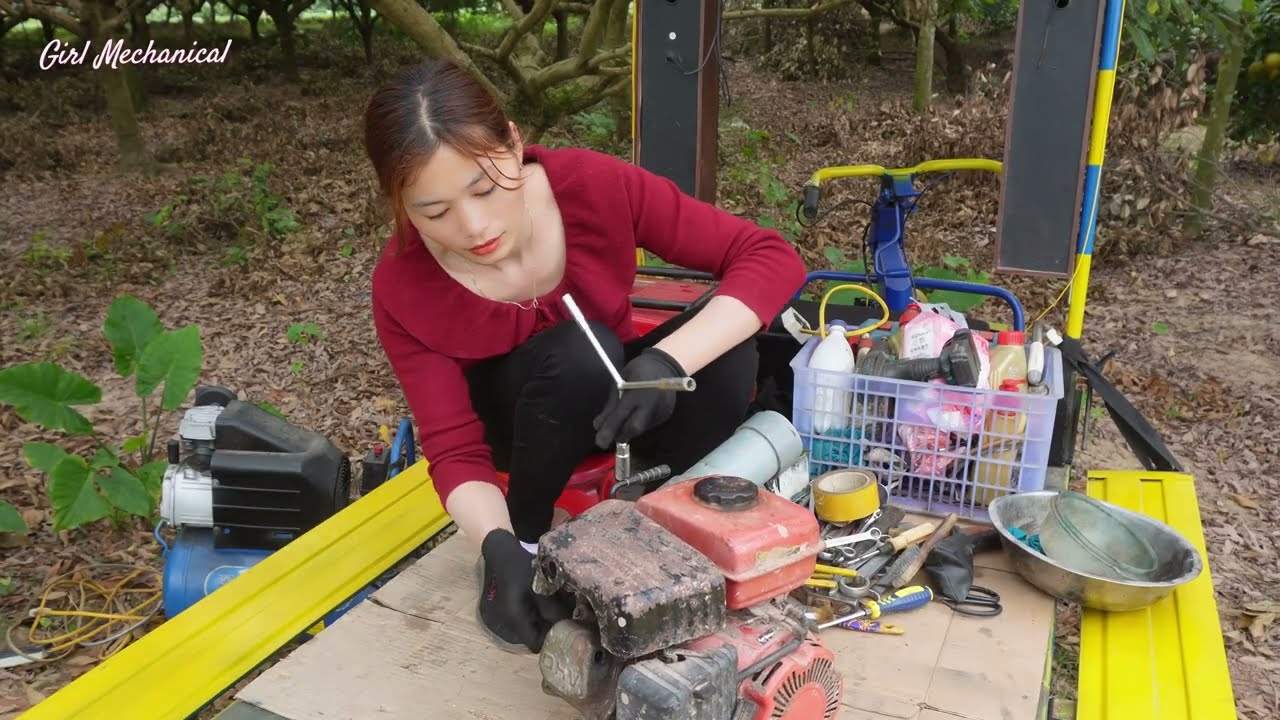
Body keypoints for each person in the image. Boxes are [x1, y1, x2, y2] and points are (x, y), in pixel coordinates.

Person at [363, 59, 807, 654]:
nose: (473, 226)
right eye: (433, 212)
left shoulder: (593, 186)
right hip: (520, 439)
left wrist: (667, 364)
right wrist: (498, 547)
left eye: (486, 187)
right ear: (398, 202)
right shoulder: (404, 284)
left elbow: (769, 255)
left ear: (515, 142)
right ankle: (530, 544)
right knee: (580, 350)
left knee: (722, 357)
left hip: (618, 407)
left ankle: (659, 529)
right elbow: (453, 447)